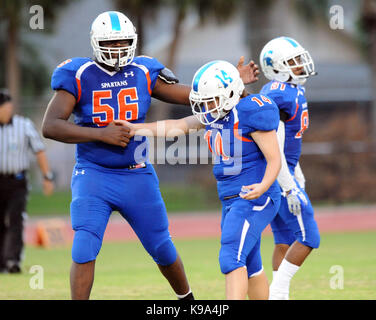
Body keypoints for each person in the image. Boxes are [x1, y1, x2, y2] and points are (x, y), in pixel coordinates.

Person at [42, 11, 259, 300]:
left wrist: (232, 84)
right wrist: (100, 134)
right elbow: (51, 125)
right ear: (96, 43)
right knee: (84, 245)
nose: (119, 49)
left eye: (123, 43)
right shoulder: (79, 74)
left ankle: (187, 301)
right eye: (112, 43)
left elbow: (196, 98)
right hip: (94, 172)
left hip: (137, 173)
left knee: (161, 247)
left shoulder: (143, 71)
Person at [118, 60, 282, 300]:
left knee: (230, 256)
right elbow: (176, 125)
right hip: (232, 199)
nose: (206, 106)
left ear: (231, 94)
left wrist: (264, 185)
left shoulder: (251, 111)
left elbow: (274, 158)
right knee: (250, 263)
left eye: (212, 99)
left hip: (255, 195)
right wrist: (134, 129)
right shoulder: (215, 115)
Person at [259, 36, 320, 300]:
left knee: (283, 241)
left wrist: (296, 172)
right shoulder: (279, 96)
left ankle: (278, 297)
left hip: (279, 176)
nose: (300, 65)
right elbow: (275, 152)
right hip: (277, 179)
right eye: (293, 62)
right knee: (309, 237)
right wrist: (289, 187)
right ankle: (277, 293)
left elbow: (286, 150)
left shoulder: (292, 90)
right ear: (276, 67)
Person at [0, 89, 54, 274]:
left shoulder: (24, 125)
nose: (6, 110)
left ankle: (13, 261)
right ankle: (1, 261)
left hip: (17, 181)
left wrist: (47, 177)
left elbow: (39, 150)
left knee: (16, 220)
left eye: (8, 106)